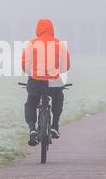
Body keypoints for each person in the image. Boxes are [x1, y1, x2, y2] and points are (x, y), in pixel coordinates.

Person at [21, 18, 71, 146]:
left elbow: (25, 65)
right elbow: (65, 66)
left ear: (37, 29)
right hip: (54, 81)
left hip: (36, 81)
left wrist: (32, 73)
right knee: (58, 98)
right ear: (52, 29)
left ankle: (32, 129)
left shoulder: (31, 43)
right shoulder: (59, 44)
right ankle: (54, 126)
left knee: (31, 103)